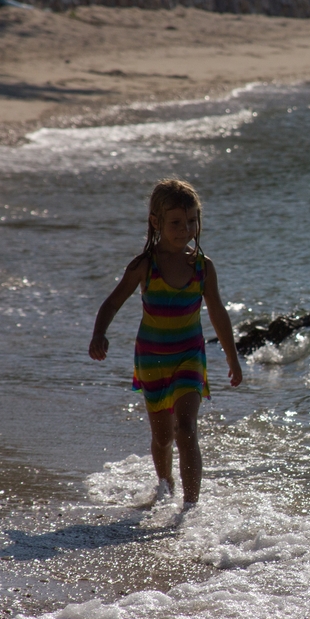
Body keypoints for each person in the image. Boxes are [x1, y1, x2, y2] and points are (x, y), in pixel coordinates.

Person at [89, 179, 242, 510]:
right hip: (152, 361)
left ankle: (190, 508)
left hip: (190, 357)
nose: (185, 229)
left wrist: (233, 358)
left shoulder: (202, 267)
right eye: (176, 222)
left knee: (186, 429)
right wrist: (99, 333)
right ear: (156, 222)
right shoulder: (145, 265)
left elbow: (217, 312)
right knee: (163, 437)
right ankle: (165, 483)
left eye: (192, 221)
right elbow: (112, 302)